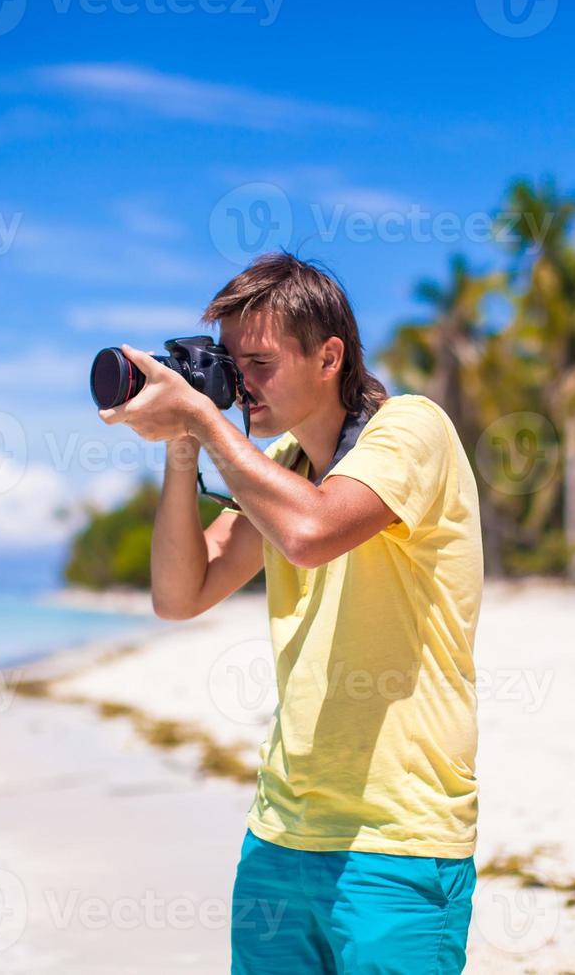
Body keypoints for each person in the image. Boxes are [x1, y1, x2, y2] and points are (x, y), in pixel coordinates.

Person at [97, 252, 484, 974]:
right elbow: (181, 594)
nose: (242, 386)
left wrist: (210, 427)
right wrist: (185, 443)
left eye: (261, 363)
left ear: (329, 356)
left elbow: (312, 533)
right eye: (231, 366)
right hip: (280, 833)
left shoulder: (410, 430)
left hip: (396, 840)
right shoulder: (284, 466)